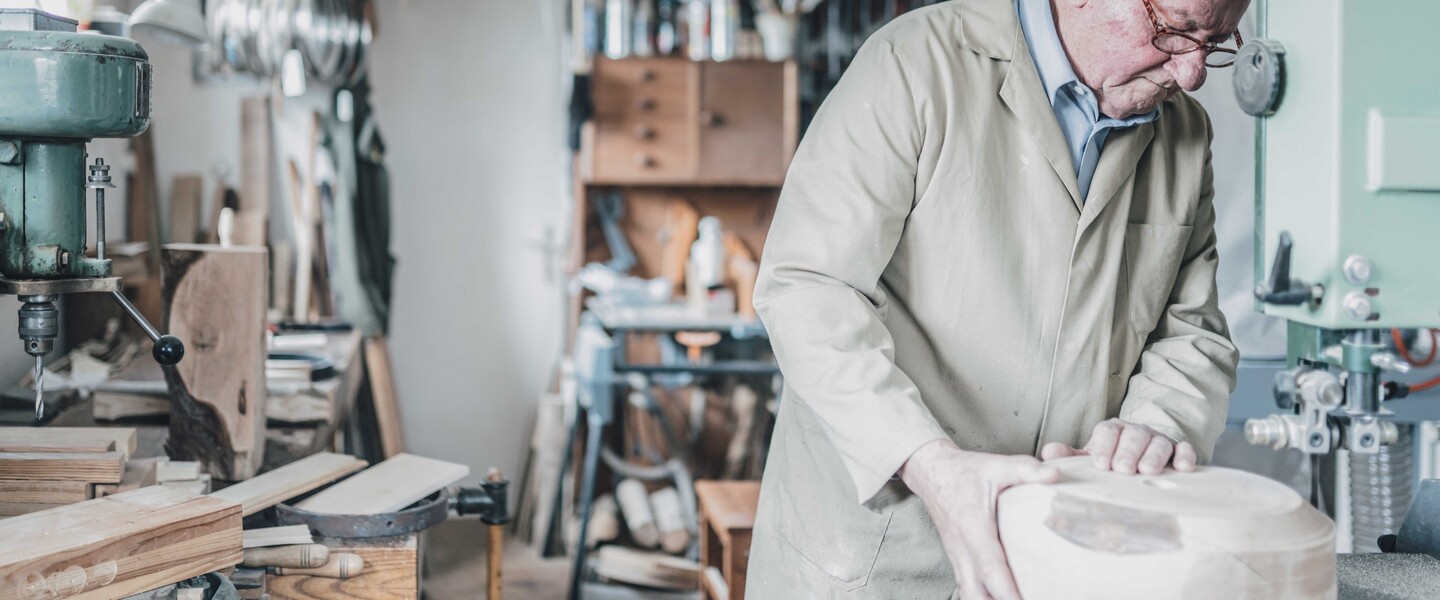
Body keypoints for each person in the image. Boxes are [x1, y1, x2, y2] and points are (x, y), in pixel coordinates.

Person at [746, 0, 1248, 597]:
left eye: (1215, 43)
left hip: (1058, 553)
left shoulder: (1184, 132)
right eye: (1176, 31)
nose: (1192, 74)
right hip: (879, 554)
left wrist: (1157, 425)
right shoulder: (915, 64)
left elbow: (1191, 331)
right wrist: (929, 464)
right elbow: (807, 285)